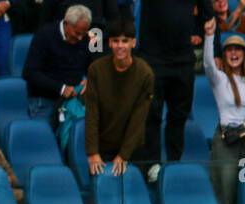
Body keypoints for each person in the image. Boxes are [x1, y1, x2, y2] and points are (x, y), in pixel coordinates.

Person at [132, 0, 204, 178]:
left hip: (183, 59)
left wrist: (203, 30)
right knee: (151, 114)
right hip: (153, 57)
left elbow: (207, 12)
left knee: (179, 116)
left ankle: (174, 162)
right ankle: (151, 164)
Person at [85, 20, 154, 177]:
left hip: (133, 149)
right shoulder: (96, 69)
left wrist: (124, 154)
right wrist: (92, 152)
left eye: (125, 41)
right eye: (116, 41)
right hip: (102, 148)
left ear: (133, 43)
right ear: (109, 43)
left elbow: (139, 119)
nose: (120, 45)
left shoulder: (145, 73)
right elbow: (92, 114)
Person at [22, 5, 94, 120]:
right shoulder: (44, 35)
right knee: (44, 137)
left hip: (74, 102)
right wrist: (61, 88)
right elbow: (29, 72)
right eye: (77, 33)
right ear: (66, 24)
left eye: (83, 34)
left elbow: (93, 64)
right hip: (44, 101)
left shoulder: (87, 37)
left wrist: (90, 78)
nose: (80, 38)